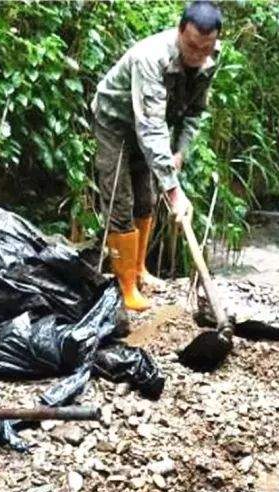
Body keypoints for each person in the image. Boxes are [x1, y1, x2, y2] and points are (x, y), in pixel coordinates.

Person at [91, 1, 222, 311]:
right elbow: (148, 127)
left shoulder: (210, 57)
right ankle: (125, 287)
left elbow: (195, 112)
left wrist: (180, 150)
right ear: (179, 32)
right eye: (191, 46)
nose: (196, 55)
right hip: (116, 123)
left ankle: (140, 270)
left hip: (154, 126)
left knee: (146, 199)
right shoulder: (150, 58)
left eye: (204, 49)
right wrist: (175, 191)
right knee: (120, 202)